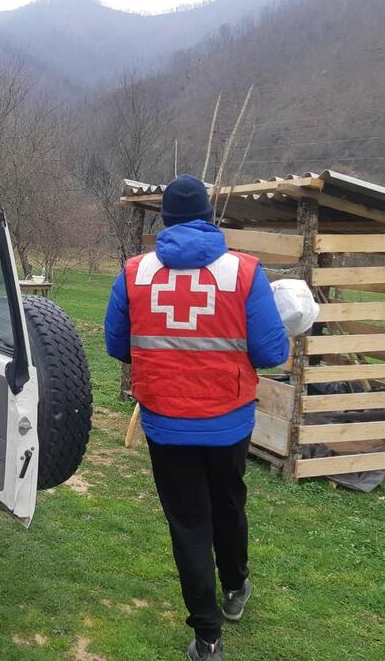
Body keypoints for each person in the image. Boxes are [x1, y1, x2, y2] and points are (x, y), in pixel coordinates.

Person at [103, 175, 290, 661]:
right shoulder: (245, 273)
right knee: (229, 503)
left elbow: (116, 344)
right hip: (228, 420)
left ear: (164, 220)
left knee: (188, 524)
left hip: (166, 422)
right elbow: (270, 353)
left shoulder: (134, 273)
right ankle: (235, 588)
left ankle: (207, 637)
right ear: (210, 217)